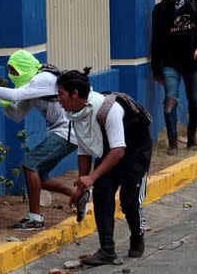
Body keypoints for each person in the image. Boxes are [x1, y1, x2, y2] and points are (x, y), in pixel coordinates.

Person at [0, 50, 91, 230]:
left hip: (68, 130)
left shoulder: (42, 78)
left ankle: (35, 218)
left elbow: (15, 95)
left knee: (30, 164)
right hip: (60, 131)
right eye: (10, 71)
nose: (12, 75)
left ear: (24, 67)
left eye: (14, 71)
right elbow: (17, 114)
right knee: (38, 177)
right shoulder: (32, 86)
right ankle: (77, 194)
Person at [56, 68, 152, 265]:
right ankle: (107, 250)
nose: (58, 99)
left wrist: (91, 177)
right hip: (107, 151)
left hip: (133, 151)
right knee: (101, 193)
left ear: (75, 94)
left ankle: (137, 235)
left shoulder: (109, 109)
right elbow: (83, 151)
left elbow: (119, 151)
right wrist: (81, 188)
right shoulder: (76, 113)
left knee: (129, 202)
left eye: (61, 94)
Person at [151, 0, 197, 155]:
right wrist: (157, 68)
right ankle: (173, 141)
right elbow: (156, 40)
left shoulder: (196, 5)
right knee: (170, 99)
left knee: (194, 101)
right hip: (170, 64)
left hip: (193, 64)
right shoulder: (160, 9)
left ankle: (192, 135)